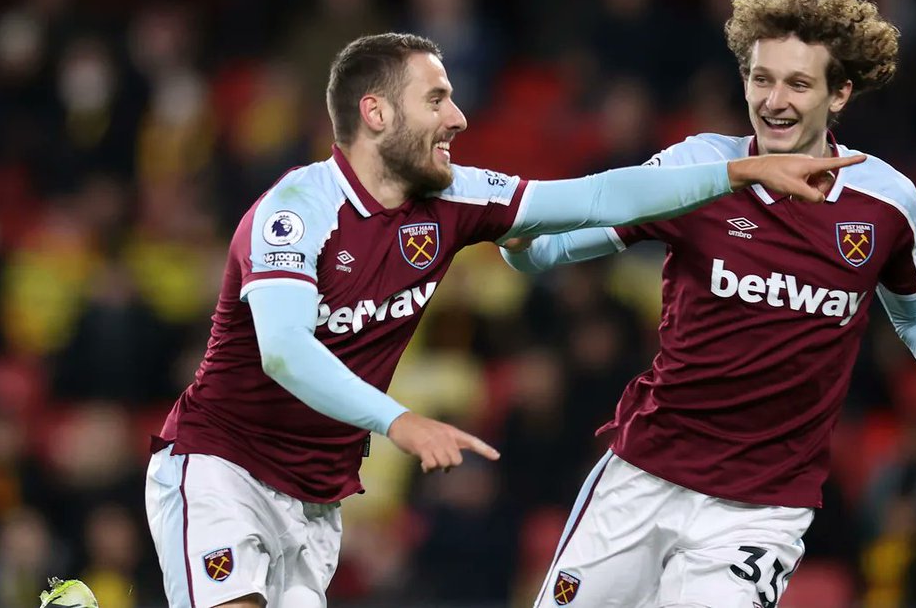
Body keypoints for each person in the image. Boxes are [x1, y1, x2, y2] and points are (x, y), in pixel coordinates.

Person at [142, 32, 859, 608]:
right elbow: (284, 351)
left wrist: (737, 174)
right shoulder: (295, 212)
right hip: (222, 465)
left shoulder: (454, 199)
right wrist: (400, 421)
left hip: (315, 498)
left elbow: (598, 197)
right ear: (376, 113)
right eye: (437, 99)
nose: (458, 118)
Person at [501, 0, 916, 608]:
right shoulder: (698, 168)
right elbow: (550, 251)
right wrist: (521, 242)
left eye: (798, 83)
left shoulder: (886, 203)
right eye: (761, 78)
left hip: (760, 511)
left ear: (839, 94)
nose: (774, 99)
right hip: (645, 475)